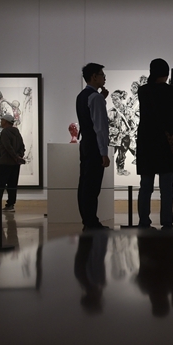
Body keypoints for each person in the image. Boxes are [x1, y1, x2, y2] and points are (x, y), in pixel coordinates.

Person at [136, 58, 173, 229]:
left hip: (146, 143)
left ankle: (144, 221)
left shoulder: (143, 90)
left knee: (145, 186)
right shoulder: (172, 91)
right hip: (166, 143)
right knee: (167, 188)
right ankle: (167, 221)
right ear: (167, 73)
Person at [76, 63, 111, 231]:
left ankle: (87, 220)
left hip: (85, 144)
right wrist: (104, 152)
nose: (104, 77)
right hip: (94, 146)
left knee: (85, 183)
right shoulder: (95, 98)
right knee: (92, 186)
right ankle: (91, 221)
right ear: (93, 77)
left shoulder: (82, 96)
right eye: (102, 74)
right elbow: (100, 128)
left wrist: (102, 98)